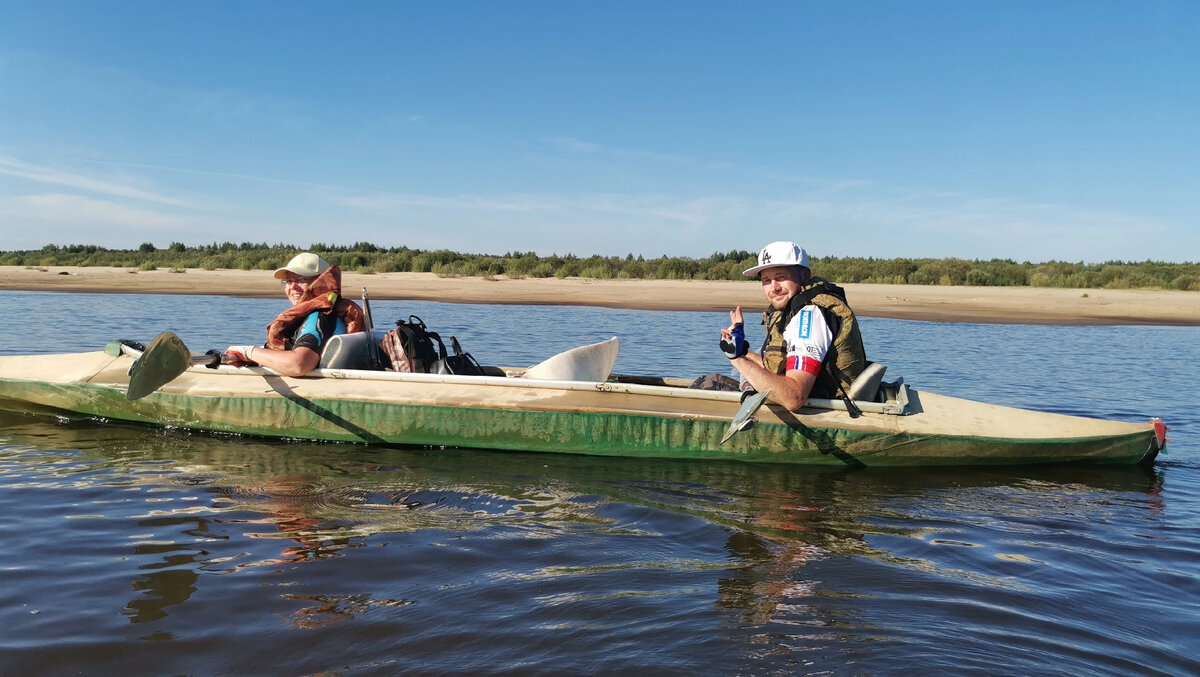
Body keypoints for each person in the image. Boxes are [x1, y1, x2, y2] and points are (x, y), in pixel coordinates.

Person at [720, 241, 866, 411]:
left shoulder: (809, 316)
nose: (773, 288)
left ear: (804, 276)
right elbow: (776, 368)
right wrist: (740, 352)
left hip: (823, 412)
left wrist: (736, 360)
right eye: (766, 280)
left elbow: (794, 397)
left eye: (781, 277)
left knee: (708, 383)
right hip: (813, 399)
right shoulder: (794, 310)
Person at [225, 252, 366, 377]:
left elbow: (299, 364)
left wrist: (248, 352)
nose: (292, 287)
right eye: (288, 281)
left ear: (321, 283)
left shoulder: (321, 315)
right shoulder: (333, 309)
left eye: (301, 280)